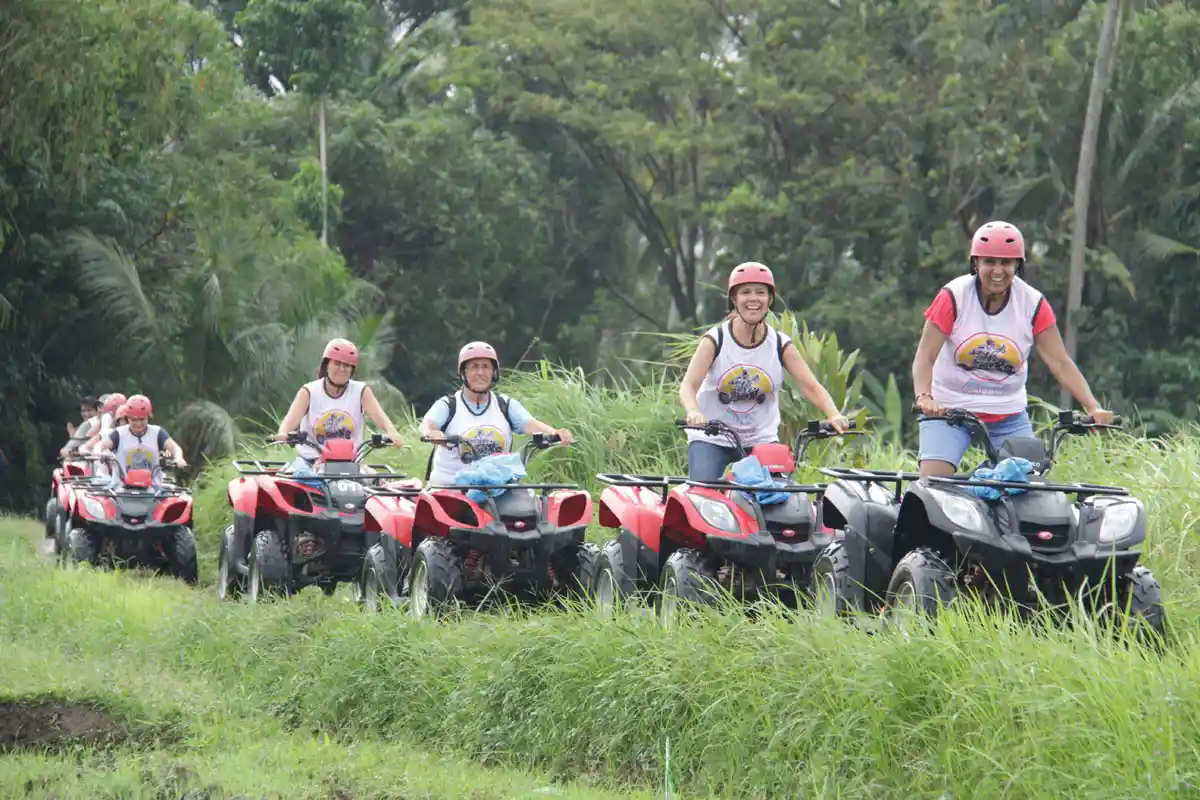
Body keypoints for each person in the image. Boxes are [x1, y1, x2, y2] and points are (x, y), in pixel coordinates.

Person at [912, 220, 1115, 477]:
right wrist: (924, 398)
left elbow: (1060, 362)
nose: (998, 271)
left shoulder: (1032, 303)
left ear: (1018, 265)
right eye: (989, 262)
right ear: (975, 263)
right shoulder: (953, 297)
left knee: (1028, 485)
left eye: (1006, 263)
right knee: (934, 482)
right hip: (950, 410)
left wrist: (1092, 407)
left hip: (1007, 414)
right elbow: (925, 357)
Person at [679, 262, 850, 481]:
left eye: (760, 292)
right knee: (702, 495)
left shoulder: (780, 344)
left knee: (780, 497)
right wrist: (693, 411)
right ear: (734, 299)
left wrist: (833, 414)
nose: (753, 299)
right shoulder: (716, 339)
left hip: (761, 438)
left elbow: (811, 387)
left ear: (770, 299)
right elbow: (688, 386)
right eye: (745, 292)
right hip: (713, 436)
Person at [418, 341, 574, 486]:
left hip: (497, 487)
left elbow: (530, 424)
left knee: (528, 507)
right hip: (451, 487)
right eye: (474, 367)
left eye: (486, 367)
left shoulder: (505, 405)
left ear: (494, 372)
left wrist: (555, 433)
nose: (480, 372)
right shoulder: (448, 405)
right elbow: (427, 425)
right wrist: (432, 433)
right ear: (463, 373)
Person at [273, 338, 406, 472]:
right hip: (311, 461)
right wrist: (283, 433)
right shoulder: (309, 391)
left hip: (351, 463)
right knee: (296, 480)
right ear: (326, 365)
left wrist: (393, 433)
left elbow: (379, 417)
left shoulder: (361, 391)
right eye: (337, 363)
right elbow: (291, 420)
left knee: (374, 483)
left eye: (347, 365)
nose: (342, 369)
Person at [95, 394, 187, 484]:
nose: (138, 424)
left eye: (142, 419)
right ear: (128, 418)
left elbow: (175, 447)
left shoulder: (157, 432)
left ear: (148, 417)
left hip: (154, 489)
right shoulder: (119, 433)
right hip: (121, 489)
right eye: (134, 420)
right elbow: (101, 445)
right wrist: (98, 452)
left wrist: (179, 458)